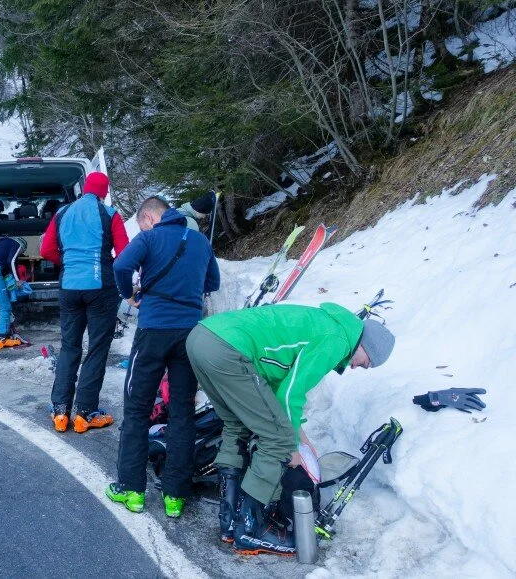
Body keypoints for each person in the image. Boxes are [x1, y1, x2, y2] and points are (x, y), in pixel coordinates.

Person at [185, 303, 396, 556]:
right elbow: (290, 393)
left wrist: (301, 434)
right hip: (229, 349)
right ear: (365, 346)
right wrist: (291, 443)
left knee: (237, 426)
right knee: (277, 439)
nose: (356, 368)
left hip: (203, 337)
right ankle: (251, 529)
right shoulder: (338, 340)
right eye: (365, 363)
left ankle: (229, 522)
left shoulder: (326, 324)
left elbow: (273, 391)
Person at [104, 196, 220, 518]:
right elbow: (213, 282)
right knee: (181, 411)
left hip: (153, 332)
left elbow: (121, 265)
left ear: (150, 217)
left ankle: (131, 490)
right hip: (190, 335)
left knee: (138, 408)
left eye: (142, 223)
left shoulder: (149, 237)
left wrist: (129, 294)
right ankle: (175, 496)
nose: (143, 228)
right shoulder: (199, 241)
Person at [41, 171, 130, 433]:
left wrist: (67, 262)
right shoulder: (109, 214)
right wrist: (108, 267)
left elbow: (46, 250)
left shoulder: (62, 213)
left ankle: (60, 411)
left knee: (69, 347)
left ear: (84, 189)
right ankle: (85, 413)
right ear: (103, 192)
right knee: (97, 348)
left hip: (69, 287)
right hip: (100, 287)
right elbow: (124, 253)